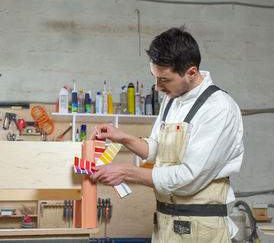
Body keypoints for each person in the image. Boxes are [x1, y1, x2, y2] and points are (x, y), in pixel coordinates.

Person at [90, 26, 244, 243]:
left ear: (191, 72)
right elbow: (157, 149)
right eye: (155, 77)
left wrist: (126, 172)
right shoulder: (172, 99)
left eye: (164, 79)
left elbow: (189, 177)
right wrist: (122, 137)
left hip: (202, 229)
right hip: (166, 223)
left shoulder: (218, 108)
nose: (158, 86)